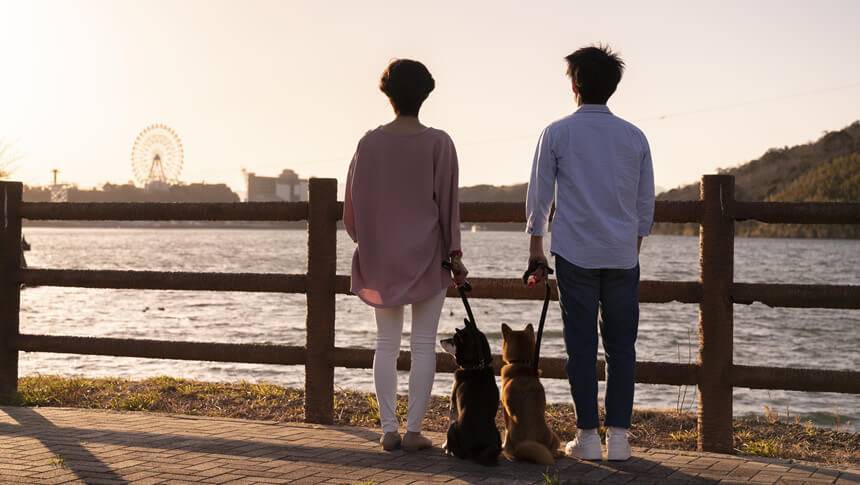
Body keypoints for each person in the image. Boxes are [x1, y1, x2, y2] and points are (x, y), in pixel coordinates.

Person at [524, 45, 655, 461]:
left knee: (581, 347)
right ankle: (619, 438)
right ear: (612, 86)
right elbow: (644, 203)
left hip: (575, 254)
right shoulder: (635, 136)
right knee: (622, 348)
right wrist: (630, 247)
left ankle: (587, 437)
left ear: (575, 84)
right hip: (621, 255)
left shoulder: (557, 132)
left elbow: (540, 196)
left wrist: (536, 250)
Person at [343, 59, 468, 452]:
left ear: (388, 94)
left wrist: (371, 239)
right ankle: (415, 431)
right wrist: (455, 254)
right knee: (423, 343)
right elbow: (448, 206)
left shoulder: (369, 143)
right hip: (429, 255)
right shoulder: (439, 142)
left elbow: (352, 210)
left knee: (386, 343)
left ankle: (388, 430)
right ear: (425, 94)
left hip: (381, 257)